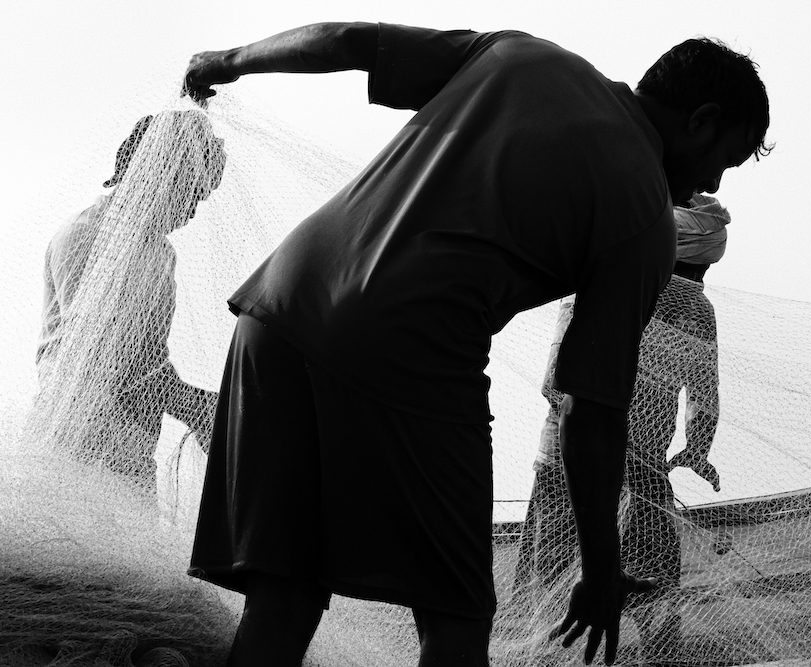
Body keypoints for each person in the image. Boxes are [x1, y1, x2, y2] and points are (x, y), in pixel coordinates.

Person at [182, 22, 769, 667]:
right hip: (408, 344)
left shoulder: (522, 54)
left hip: (279, 306)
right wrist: (602, 571)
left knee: (285, 591)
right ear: (703, 121)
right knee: (457, 617)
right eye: (726, 161)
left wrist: (228, 61)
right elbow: (590, 408)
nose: (711, 184)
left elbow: (345, 40)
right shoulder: (643, 218)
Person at [512, 194, 730, 662]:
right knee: (587, 589)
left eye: (701, 276)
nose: (696, 284)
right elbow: (557, 383)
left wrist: (693, 447)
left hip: (608, 468)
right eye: (696, 273)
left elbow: (702, 394)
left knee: (624, 586)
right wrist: (688, 447)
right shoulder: (664, 302)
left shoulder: (660, 299)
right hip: (591, 469)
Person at [36, 110, 226, 491]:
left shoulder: (160, 255)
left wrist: (196, 406)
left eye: (200, 198)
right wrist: (194, 406)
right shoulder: (85, 235)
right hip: (76, 443)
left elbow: (150, 355)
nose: (191, 211)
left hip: (133, 447)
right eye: (189, 193)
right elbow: (105, 357)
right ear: (156, 175)